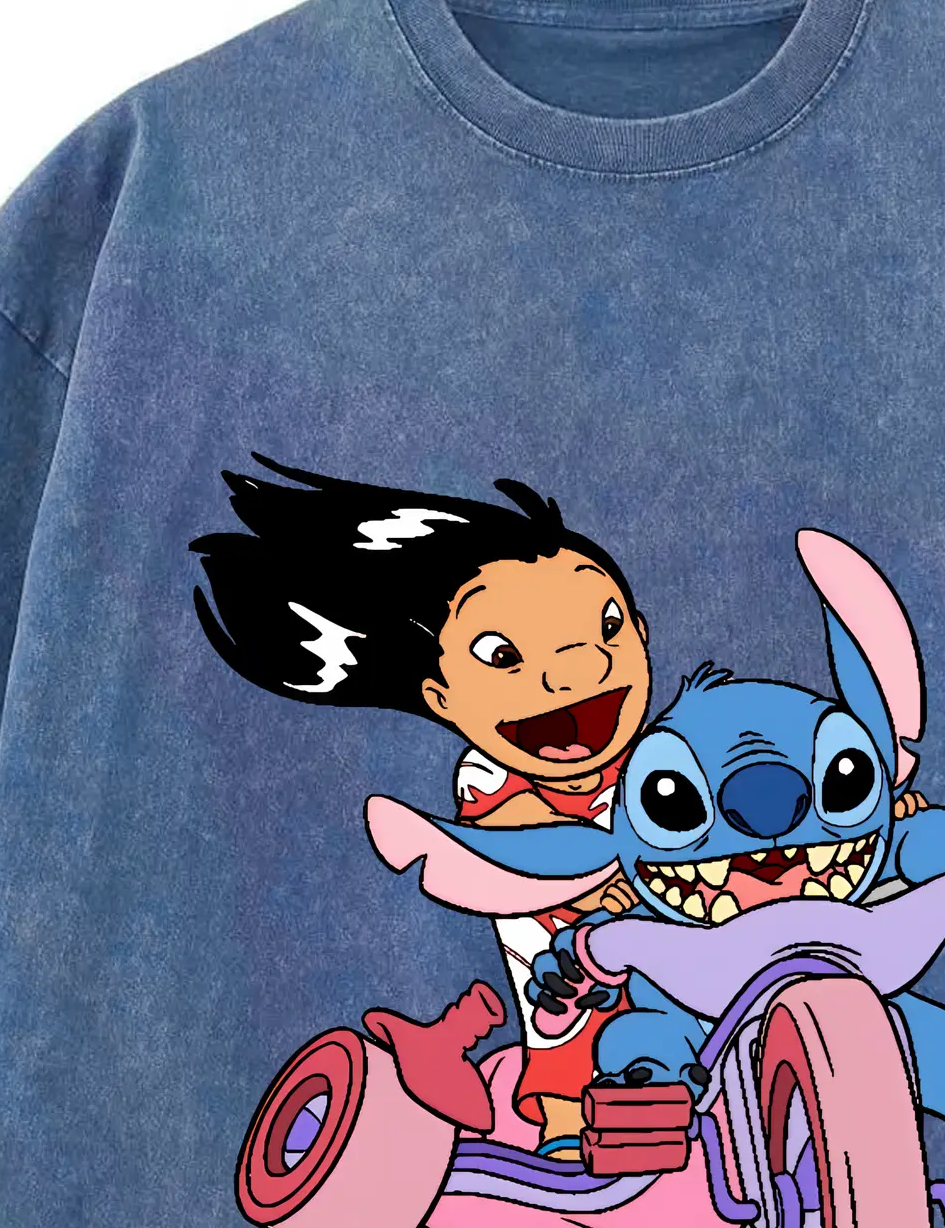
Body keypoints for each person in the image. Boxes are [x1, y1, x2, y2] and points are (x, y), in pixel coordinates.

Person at [191, 460, 651, 1155]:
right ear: (441, 697)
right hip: (569, 992)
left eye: (608, 625)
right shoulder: (489, 776)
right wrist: (609, 881)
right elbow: (520, 842)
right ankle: (563, 1139)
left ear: (641, 632)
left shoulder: (665, 754)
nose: (578, 668)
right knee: (572, 1054)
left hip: (687, 970)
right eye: (502, 654)